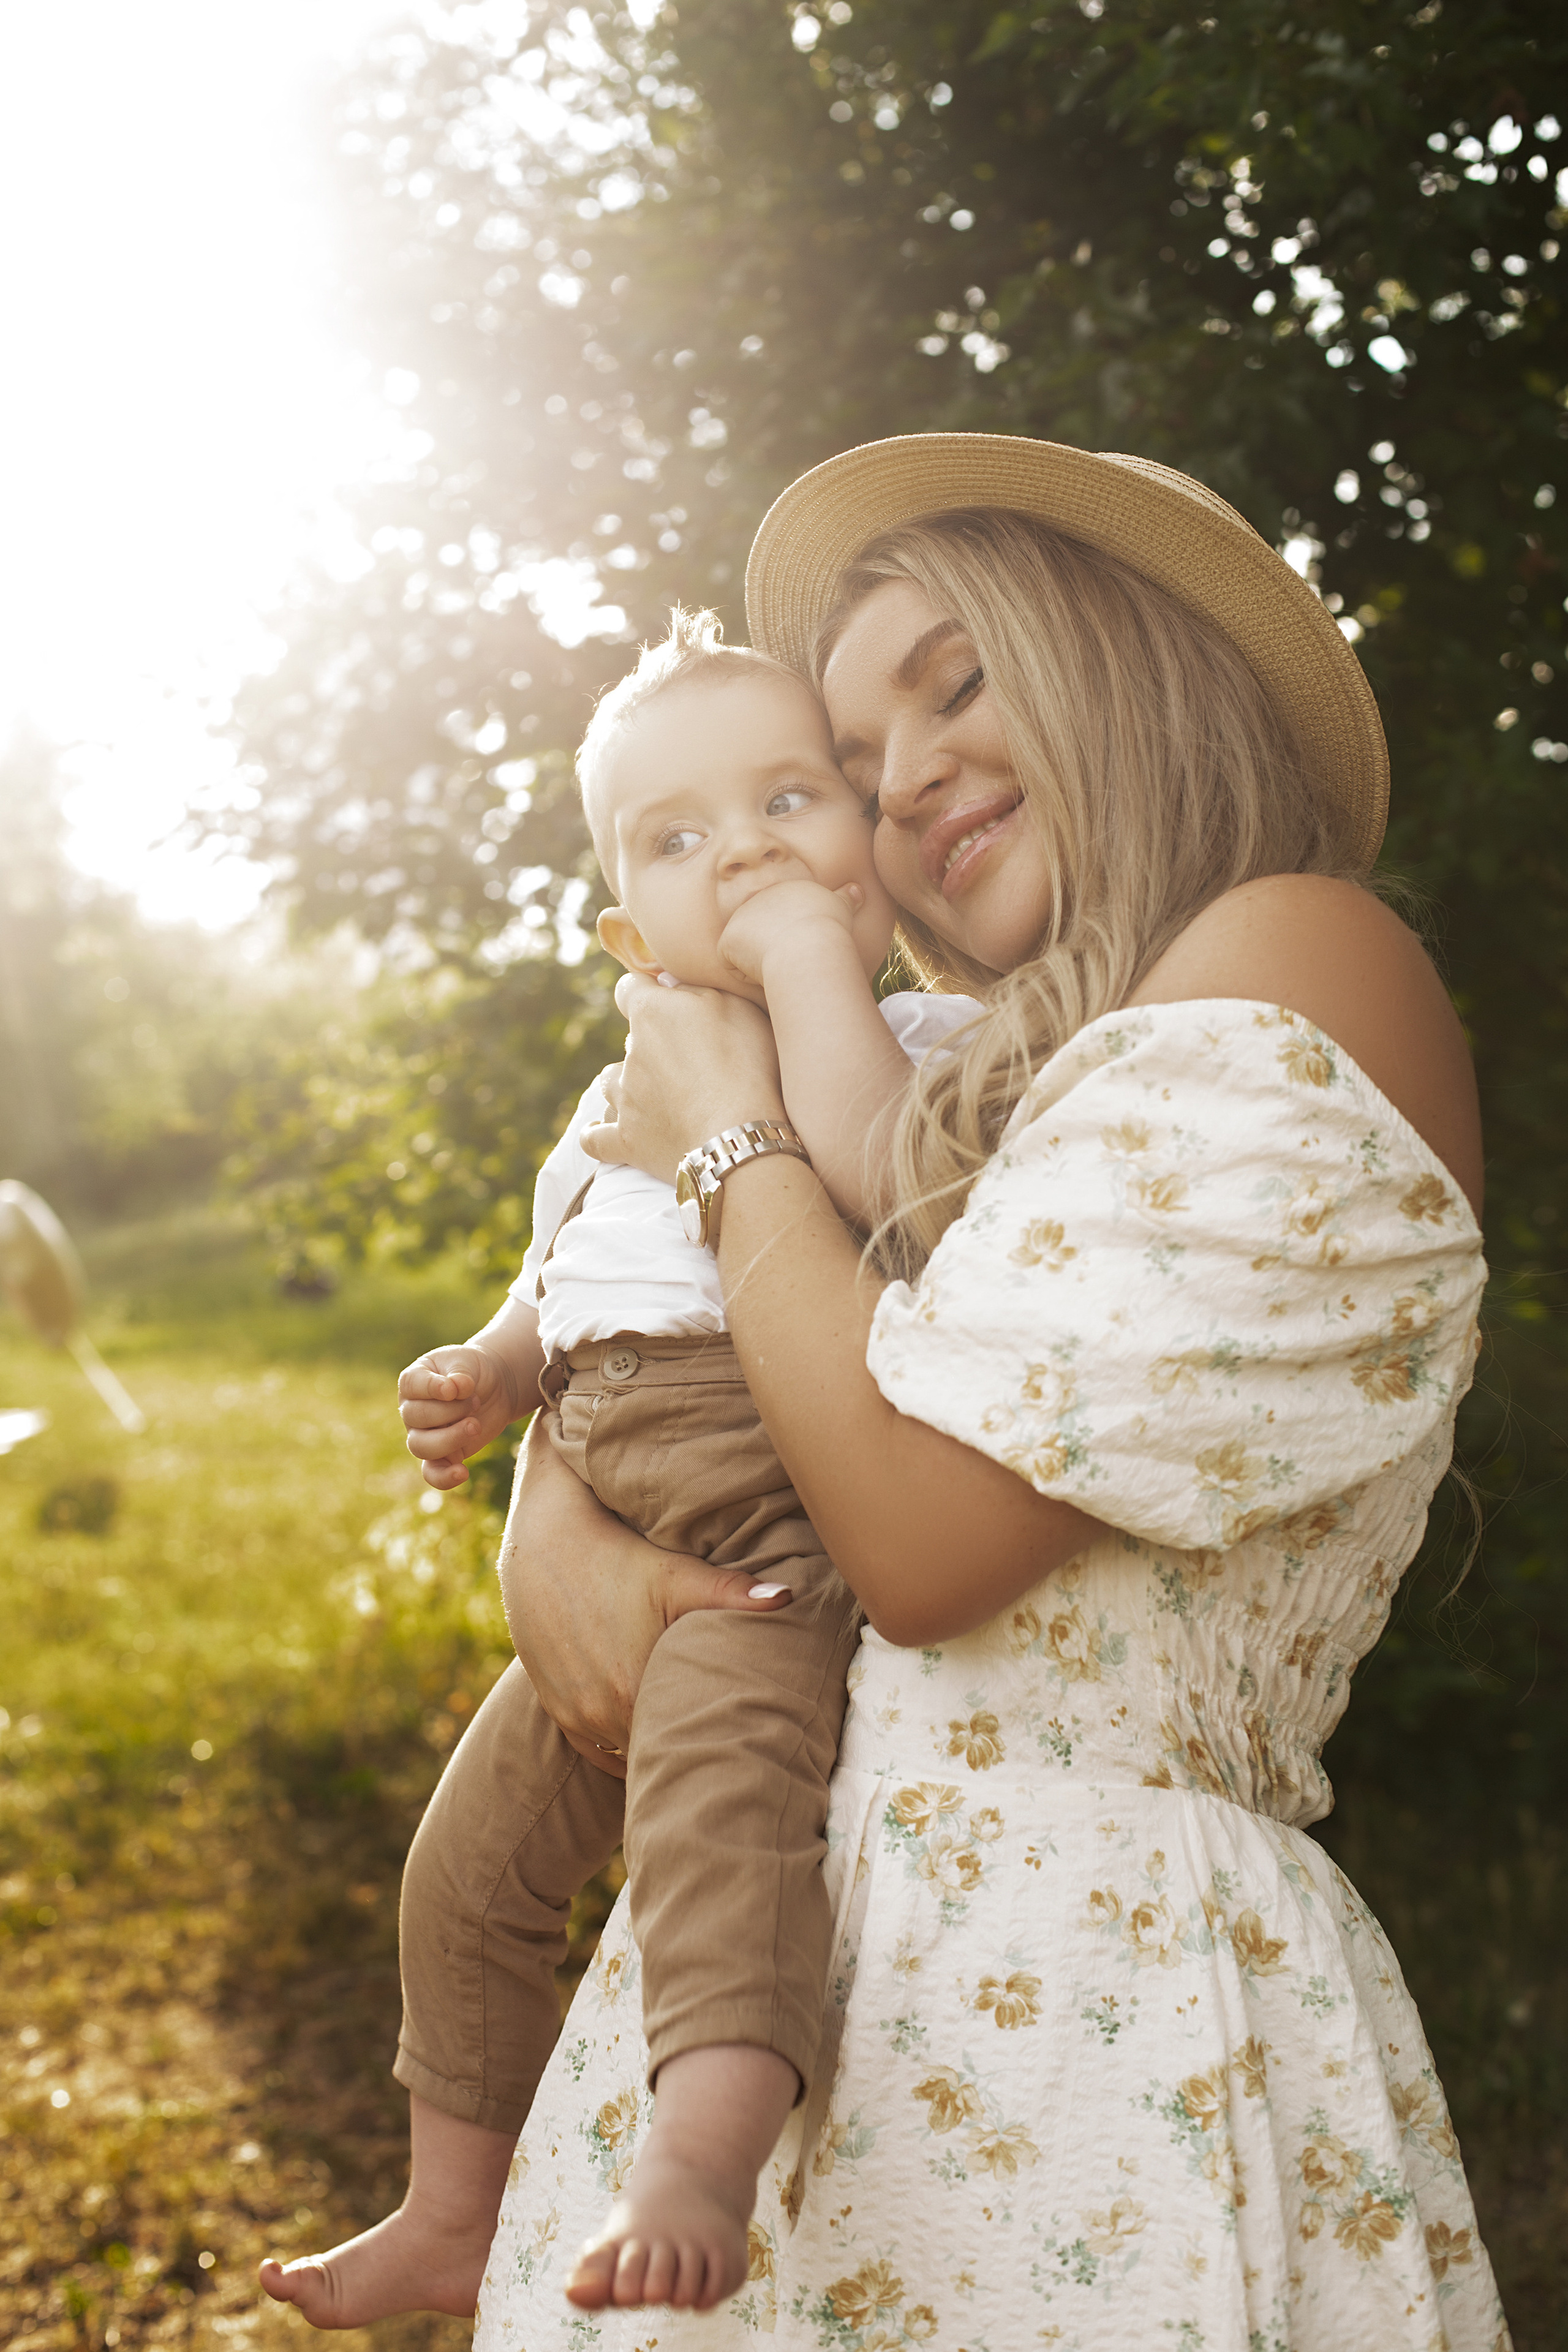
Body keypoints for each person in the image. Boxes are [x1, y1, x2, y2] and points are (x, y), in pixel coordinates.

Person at [472, 434, 1512, 2350]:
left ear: (1126, 654)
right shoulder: (978, 1099)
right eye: (859, 773)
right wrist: (559, 1521)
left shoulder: (1294, 948)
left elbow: (929, 1538)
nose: (910, 777)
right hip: (789, 1985)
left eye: (959, 682)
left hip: (1078, 2023)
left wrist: (726, 1145)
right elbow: (710, 1400)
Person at [260, 609, 979, 2329]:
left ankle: (700, 2162)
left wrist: (815, 970)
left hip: (768, 1508)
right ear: (620, 924)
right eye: (677, 837)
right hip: (608, 1464)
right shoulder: (611, 1095)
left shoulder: (921, 1045)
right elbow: (564, 1269)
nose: (739, 850)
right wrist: (497, 1371)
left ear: (871, 862)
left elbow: (903, 1193)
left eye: (787, 801)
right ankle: (452, 2204)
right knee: (469, 1864)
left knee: (722, 1828)